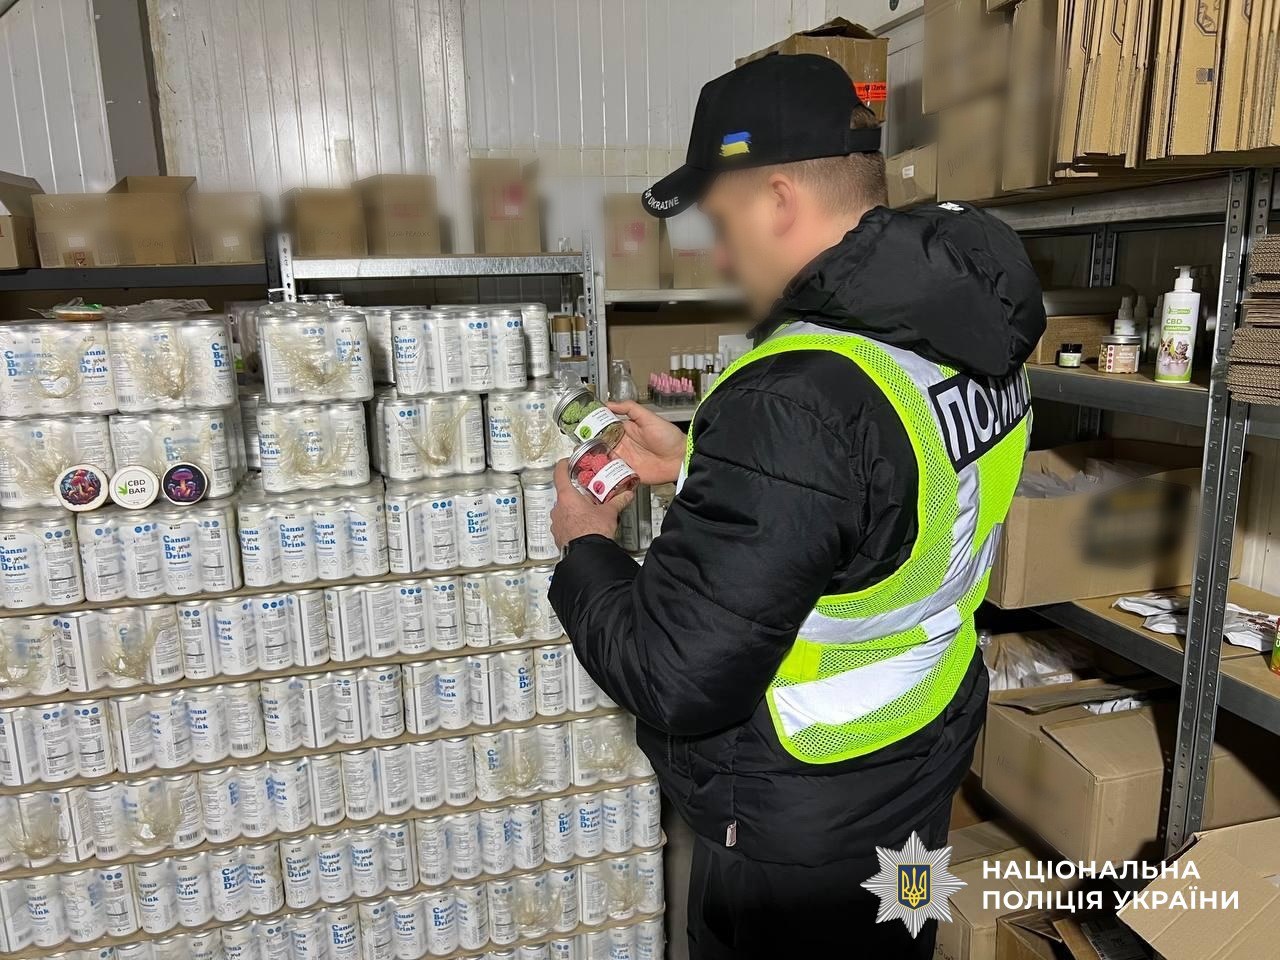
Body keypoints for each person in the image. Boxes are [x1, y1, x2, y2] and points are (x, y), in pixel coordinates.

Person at [548, 54, 1045, 959]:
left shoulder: (796, 391)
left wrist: (586, 547)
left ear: (778, 198)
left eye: (720, 222)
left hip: (802, 821)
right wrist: (700, 460)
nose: (719, 253)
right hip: (920, 758)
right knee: (905, 937)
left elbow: (675, 675)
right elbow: (893, 495)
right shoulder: (967, 323)